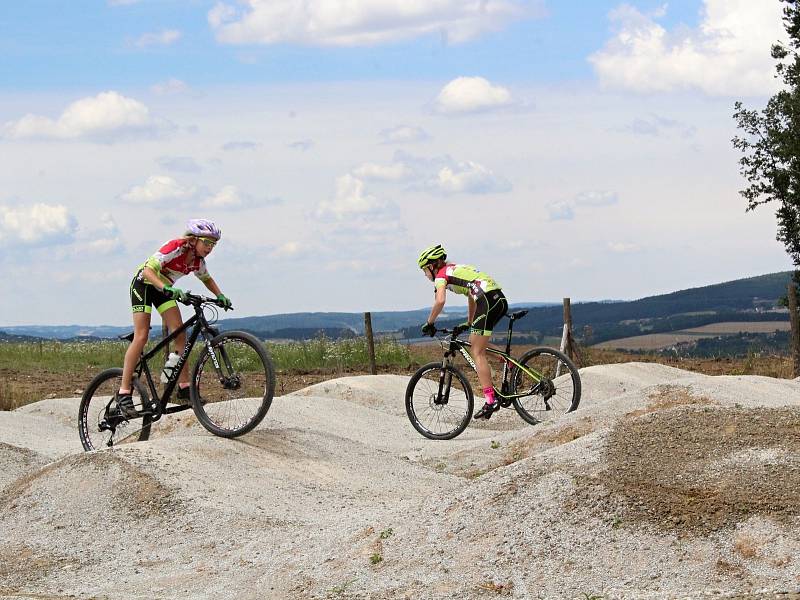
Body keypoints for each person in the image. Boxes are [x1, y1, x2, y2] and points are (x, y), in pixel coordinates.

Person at [116, 219, 231, 417]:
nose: (210, 248)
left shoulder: (198, 261)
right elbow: (148, 271)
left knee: (180, 334)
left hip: (164, 290)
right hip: (144, 285)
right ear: (193, 240)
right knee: (141, 336)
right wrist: (166, 287)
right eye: (207, 242)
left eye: (214, 244)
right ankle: (124, 392)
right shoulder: (175, 247)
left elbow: (207, 279)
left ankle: (182, 388)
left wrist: (220, 295)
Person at [418, 244, 509, 420]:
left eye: (424, 270)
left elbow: (440, 301)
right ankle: (509, 362)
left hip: (486, 300)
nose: (425, 275)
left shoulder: (442, 275)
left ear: (432, 265)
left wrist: (429, 323)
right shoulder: (456, 269)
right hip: (497, 298)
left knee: (476, 351)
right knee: (477, 342)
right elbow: (470, 295)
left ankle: (490, 400)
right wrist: (469, 321)